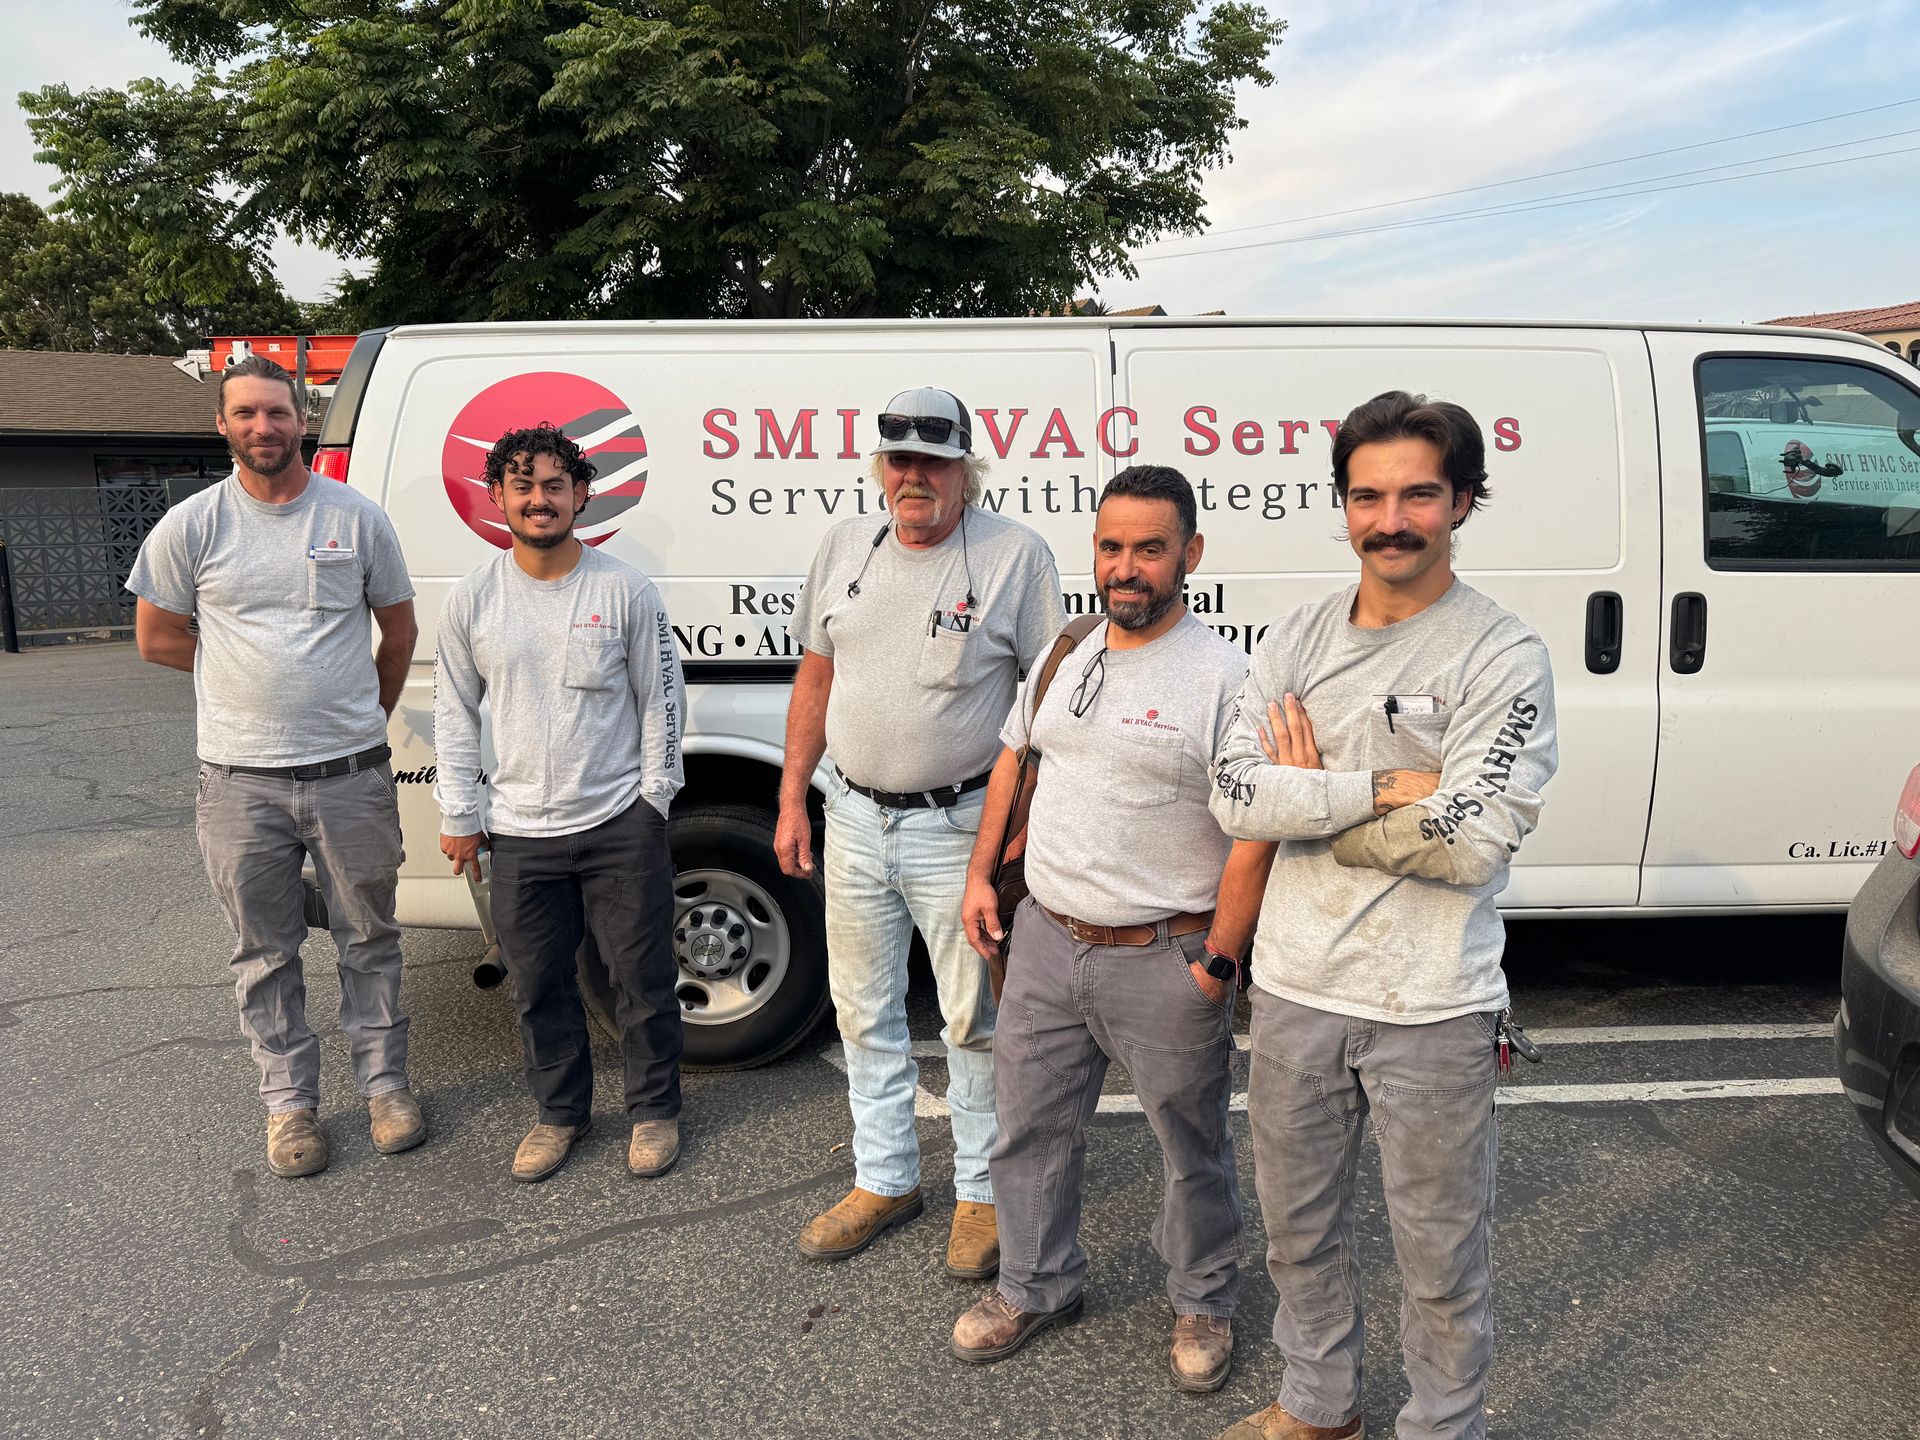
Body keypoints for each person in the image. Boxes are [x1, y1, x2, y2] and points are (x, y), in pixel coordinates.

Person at [1208, 392, 1558, 1440]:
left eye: (1418, 493)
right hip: (1296, 988)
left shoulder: (1502, 654)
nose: (1390, 518)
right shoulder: (1297, 636)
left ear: (1461, 502)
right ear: (1344, 504)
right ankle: (1318, 1407)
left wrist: (1309, 800)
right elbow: (1232, 794)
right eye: (1368, 495)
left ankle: (1442, 1427)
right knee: (1296, 1234)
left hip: (1434, 1002)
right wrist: (1380, 790)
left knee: (1441, 1256)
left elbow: (1473, 836)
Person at [948, 465, 1264, 1392]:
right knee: (1030, 1129)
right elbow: (1014, 761)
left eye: (1150, 549)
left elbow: (1256, 827)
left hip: (1164, 952)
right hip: (1047, 934)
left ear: (1190, 555)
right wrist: (980, 877)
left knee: (1188, 1142)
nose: (1126, 568)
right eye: (1111, 547)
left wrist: (1219, 958)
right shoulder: (1070, 650)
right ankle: (1035, 1285)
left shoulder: (1224, 677)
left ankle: (1204, 1300)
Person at [778, 386, 1066, 1275]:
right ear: (881, 469)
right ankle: (886, 1179)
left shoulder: (1016, 557)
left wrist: (1022, 834)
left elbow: (1046, 707)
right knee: (863, 1013)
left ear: (964, 471)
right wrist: (794, 794)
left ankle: (981, 1195)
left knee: (974, 1018)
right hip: (854, 816)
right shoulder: (843, 547)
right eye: (899, 459)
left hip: (961, 826)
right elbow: (815, 678)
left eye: (933, 461)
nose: (914, 477)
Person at [128, 355, 422, 1179]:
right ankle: (290, 1106)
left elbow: (397, 635)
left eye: (279, 413)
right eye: (247, 414)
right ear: (223, 424)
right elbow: (157, 638)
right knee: (265, 951)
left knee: (369, 934)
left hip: (351, 773)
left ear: (304, 421)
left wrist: (362, 713)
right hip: (238, 781)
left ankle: (386, 1085)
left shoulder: (357, 518)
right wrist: (240, 677)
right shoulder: (192, 526)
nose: (265, 428)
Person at [434, 423, 687, 1183]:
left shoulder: (623, 590)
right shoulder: (474, 599)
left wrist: (653, 802)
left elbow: (662, 701)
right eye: (523, 486)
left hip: (618, 824)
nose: (539, 500)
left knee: (639, 981)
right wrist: (459, 816)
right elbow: (453, 711)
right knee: (540, 987)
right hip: (518, 835)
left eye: (554, 485)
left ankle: (653, 1112)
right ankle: (560, 1115)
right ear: (498, 500)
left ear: (581, 495)